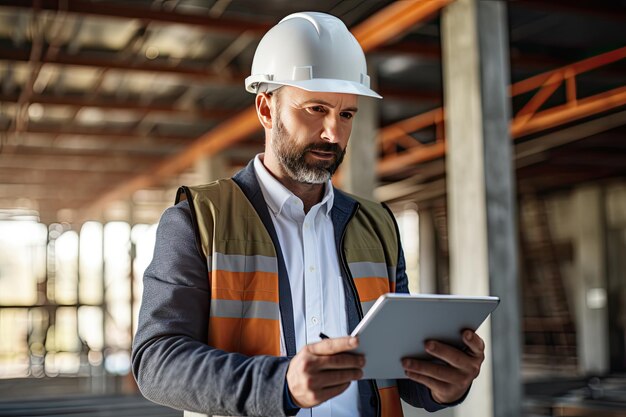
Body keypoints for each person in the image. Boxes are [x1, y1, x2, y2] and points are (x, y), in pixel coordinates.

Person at [131, 11, 485, 417]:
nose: (333, 132)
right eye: (316, 109)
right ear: (266, 109)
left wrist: (446, 384)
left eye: (347, 114)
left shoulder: (379, 226)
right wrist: (280, 384)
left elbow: (399, 370)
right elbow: (155, 361)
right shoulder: (197, 219)